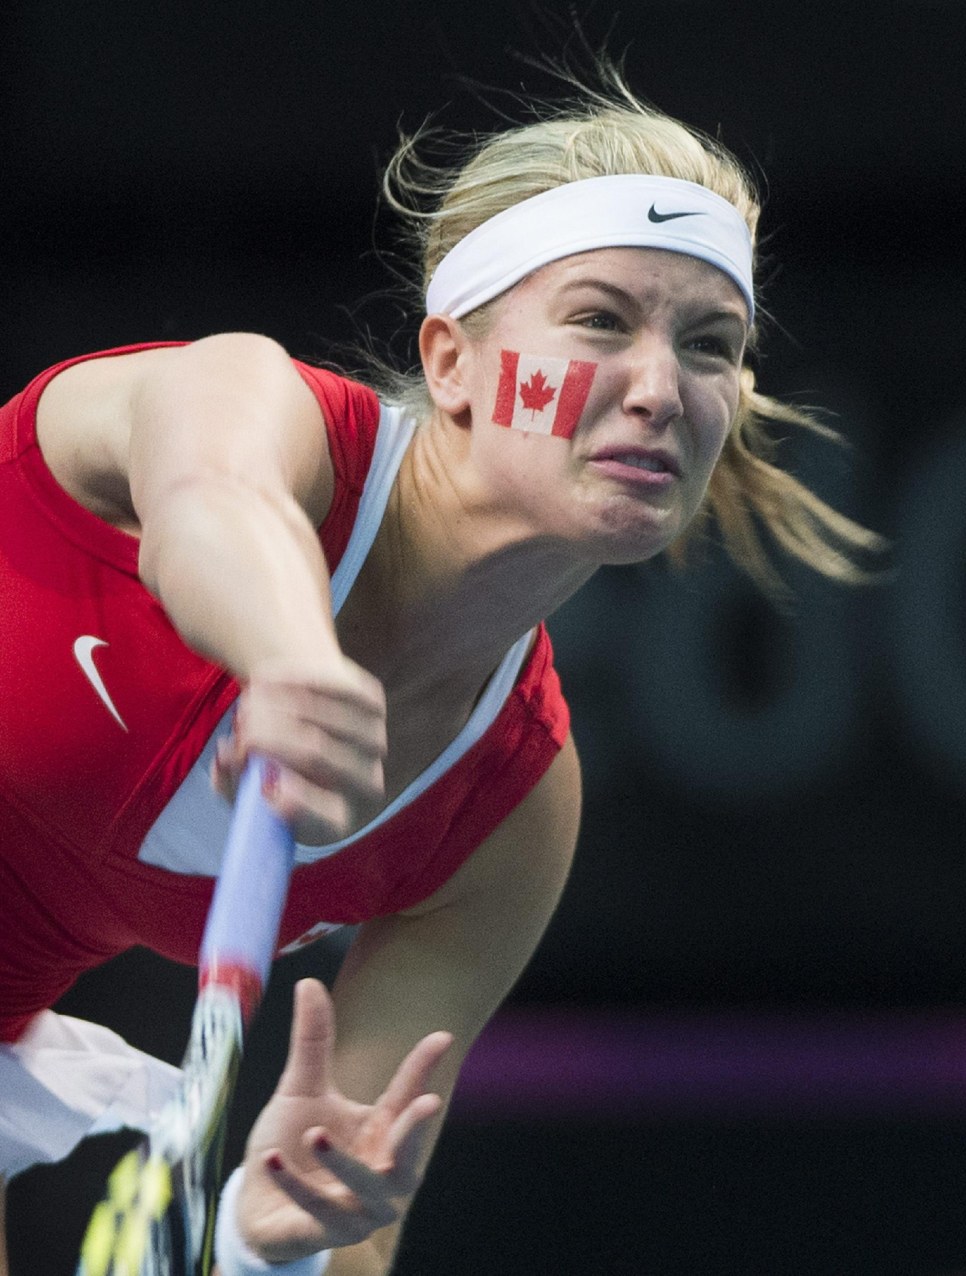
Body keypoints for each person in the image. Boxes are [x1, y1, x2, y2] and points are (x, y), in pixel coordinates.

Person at [0, 63, 879, 1276]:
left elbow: (352, 1226)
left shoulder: (513, 804)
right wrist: (288, 653)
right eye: (600, 319)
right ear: (451, 359)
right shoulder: (245, 397)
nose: (661, 387)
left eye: (712, 344)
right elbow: (210, 505)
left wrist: (282, 1247)